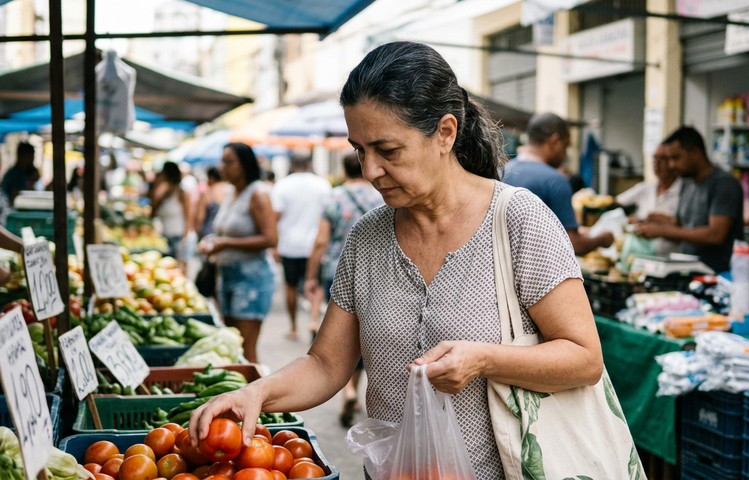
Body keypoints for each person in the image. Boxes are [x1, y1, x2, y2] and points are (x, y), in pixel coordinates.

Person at [189, 42, 609, 479]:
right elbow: (326, 365)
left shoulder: (518, 220)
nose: (370, 170)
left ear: (445, 133)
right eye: (359, 150)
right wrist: (256, 394)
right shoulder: (367, 238)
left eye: (387, 150)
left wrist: (485, 359)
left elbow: (583, 358)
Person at [304, 150, 384, 427]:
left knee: (341, 332)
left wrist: (311, 275)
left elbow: (320, 241)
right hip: (374, 272)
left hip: (336, 271)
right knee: (362, 334)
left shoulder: (334, 197)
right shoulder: (379, 196)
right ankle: (352, 389)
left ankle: (347, 390)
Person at [199, 143, 277, 364]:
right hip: (226, 277)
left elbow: (271, 238)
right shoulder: (232, 192)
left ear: (245, 164)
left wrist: (225, 244)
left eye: (229, 162)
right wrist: (213, 240)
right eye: (222, 161)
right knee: (231, 346)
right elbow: (226, 230)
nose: (222, 167)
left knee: (244, 349)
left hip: (251, 281)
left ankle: (256, 387)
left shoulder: (258, 193)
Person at [502, 113, 614, 255]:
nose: (565, 154)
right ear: (554, 141)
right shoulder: (555, 180)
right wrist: (602, 239)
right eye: (566, 146)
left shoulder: (500, 172)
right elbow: (573, 245)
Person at [636, 126, 743, 273]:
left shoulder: (723, 183)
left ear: (695, 153)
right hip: (689, 269)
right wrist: (654, 223)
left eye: (675, 158)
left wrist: (662, 230)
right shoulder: (687, 183)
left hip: (717, 273)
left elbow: (716, 235)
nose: (671, 165)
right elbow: (683, 226)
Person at [270, 152, 332, 340]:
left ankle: (293, 326)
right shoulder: (322, 185)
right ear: (309, 164)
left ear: (292, 164)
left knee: (291, 286)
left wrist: (274, 245)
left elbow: (275, 217)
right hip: (315, 244)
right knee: (316, 285)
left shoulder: (282, 185)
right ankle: (313, 321)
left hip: (289, 244)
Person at [615, 143, 682, 256]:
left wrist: (662, 227)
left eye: (663, 159)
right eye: (655, 158)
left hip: (671, 258)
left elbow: (689, 230)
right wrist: (639, 222)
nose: (657, 162)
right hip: (641, 256)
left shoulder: (683, 192)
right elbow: (616, 201)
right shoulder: (646, 188)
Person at [151, 162, 193, 260]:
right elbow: (154, 208)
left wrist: (185, 238)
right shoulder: (164, 193)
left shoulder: (182, 193)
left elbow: (189, 216)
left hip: (177, 236)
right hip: (164, 236)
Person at [195, 167, 230, 238]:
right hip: (227, 232)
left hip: (209, 233)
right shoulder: (230, 190)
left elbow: (200, 217)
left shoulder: (207, 193)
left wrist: (197, 232)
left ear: (211, 178)